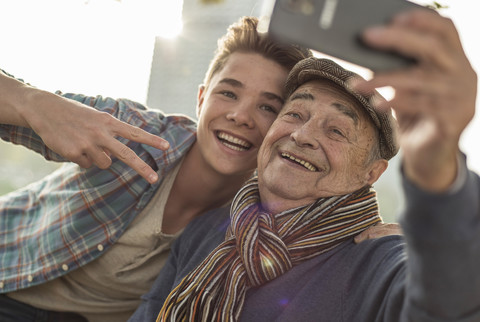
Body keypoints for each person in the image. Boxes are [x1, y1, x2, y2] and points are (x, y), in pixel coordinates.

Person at [130, 9, 480, 322]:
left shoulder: (379, 262)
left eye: (337, 130)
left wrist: (438, 171)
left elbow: (449, 304)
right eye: (295, 113)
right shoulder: (204, 232)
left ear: (371, 174)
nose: (302, 135)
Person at [0, 16, 314, 321]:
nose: (241, 116)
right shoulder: (132, 132)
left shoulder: (261, 218)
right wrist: (33, 103)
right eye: (229, 93)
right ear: (202, 98)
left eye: (268, 107)